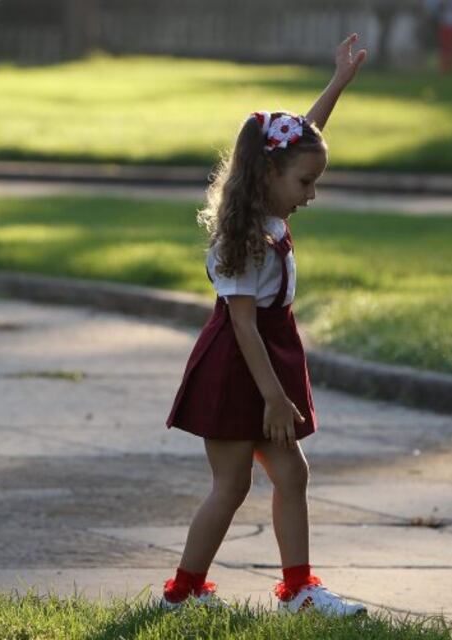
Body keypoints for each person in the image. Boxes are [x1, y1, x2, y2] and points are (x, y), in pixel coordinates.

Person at [160, 35, 369, 616]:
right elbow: (244, 328)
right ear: (269, 174)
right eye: (305, 183)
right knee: (231, 486)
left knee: (292, 475)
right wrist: (275, 398)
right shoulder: (245, 241)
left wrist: (337, 84)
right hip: (237, 371)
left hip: (264, 365)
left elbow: (304, 135)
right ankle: (183, 592)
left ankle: (298, 590)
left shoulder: (272, 204)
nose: (312, 194)